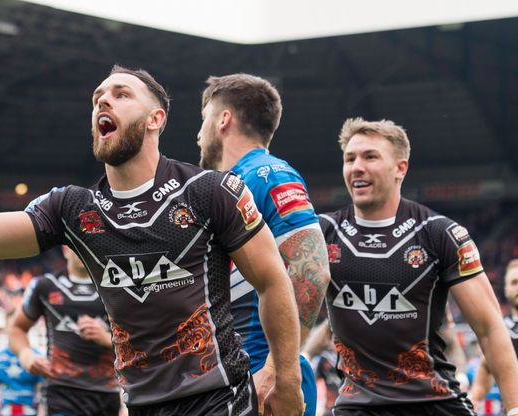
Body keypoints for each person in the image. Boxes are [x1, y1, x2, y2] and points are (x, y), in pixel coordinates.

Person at [0, 65, 303, 416]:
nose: (103, 99)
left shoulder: (210, 191)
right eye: (99, 95)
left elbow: (272, 280)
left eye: (121, 94)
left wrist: (285, 375)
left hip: (217, 400)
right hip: (138, 405)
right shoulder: (74, 208)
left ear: (156, 119)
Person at [318, 117, 518, 415]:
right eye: (350, 158)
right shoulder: (321, 233)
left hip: (433, 403)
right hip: (357, 406)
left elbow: (489, 328)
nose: (357, 166)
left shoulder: (441, 234)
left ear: (401, 168)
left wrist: (514, 406)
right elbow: (293, 314)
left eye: (370, 156)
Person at [196, 73, 330, 416]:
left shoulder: (268, 174)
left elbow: (311, 270)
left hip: (262, 378)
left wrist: (276, 371)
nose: (198, 135)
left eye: (204, 120)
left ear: (223, 119)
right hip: (232, 376)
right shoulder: (227, 185)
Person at [9, 246, 119, 416]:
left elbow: (141, 340)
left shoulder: (117, 287)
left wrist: (106, 338)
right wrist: (27, 357)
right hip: (61, 391)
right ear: (65, 249)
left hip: (106, 392)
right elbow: (16, 328)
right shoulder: (45, 285)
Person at [469, 258, 518, 415]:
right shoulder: (501, 330)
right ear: (505, 290)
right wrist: (474, 399)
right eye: (514, 282)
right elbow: (486, 366)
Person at [0, 310, 42, 416]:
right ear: (6, 328)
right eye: (11, 327)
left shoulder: (37, 358)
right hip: (5, 411)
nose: (14, 332)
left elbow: (43, 396)